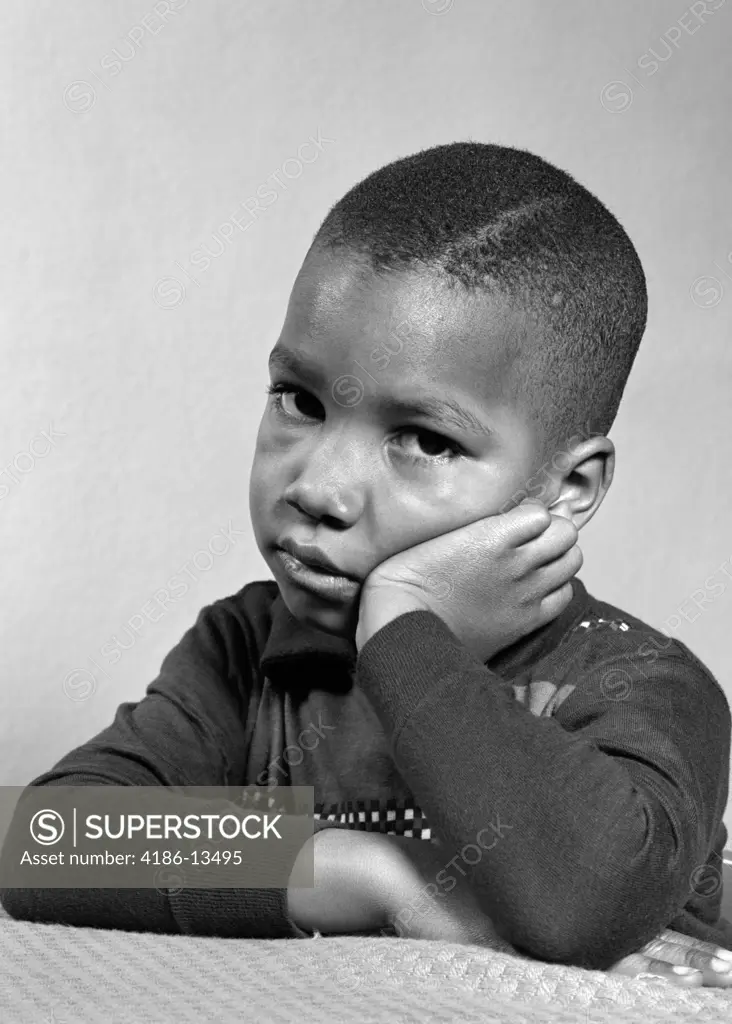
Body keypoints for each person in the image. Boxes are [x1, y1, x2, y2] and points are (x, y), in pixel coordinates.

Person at [2, 142, 731, 988]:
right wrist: (364, 874)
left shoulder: (640, 682)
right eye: (300, 402)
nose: (318, 486)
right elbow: (50, 843)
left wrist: (404, 629)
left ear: (567, 490)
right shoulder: (249, 653)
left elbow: (587, 900)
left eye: (425, 440)